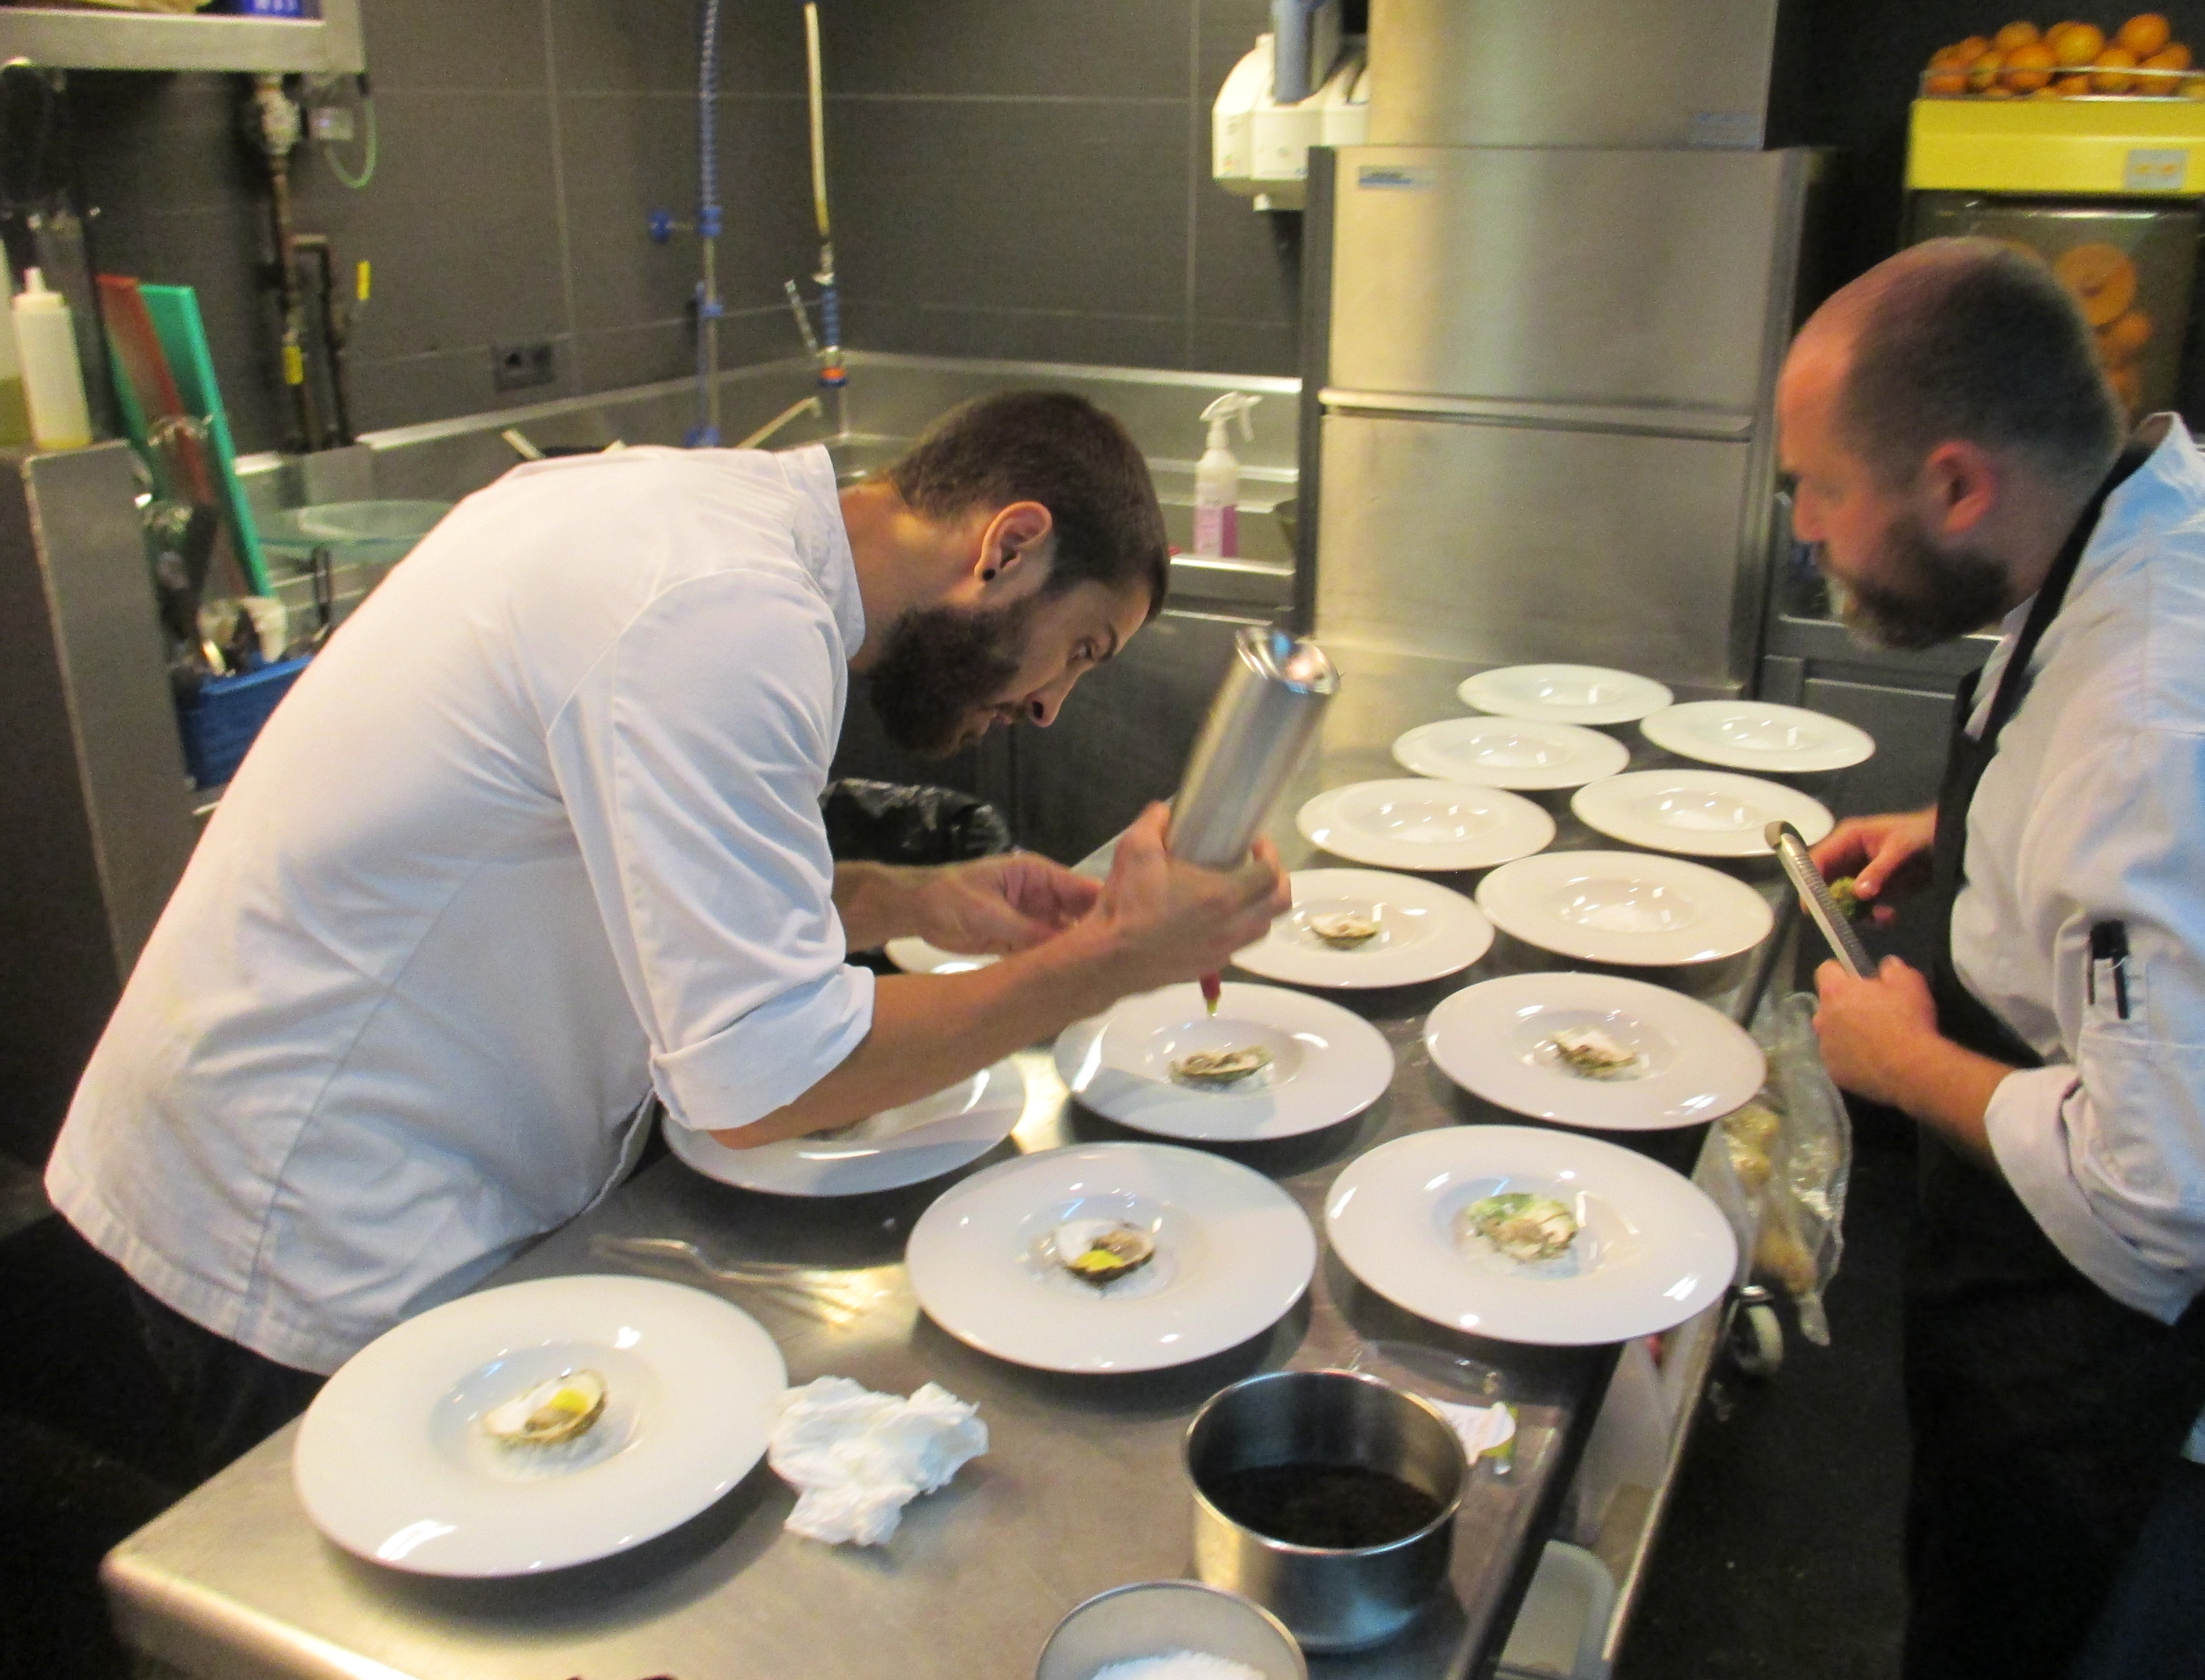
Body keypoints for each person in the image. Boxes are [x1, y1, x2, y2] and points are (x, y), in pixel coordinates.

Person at [47, 389, 1288, 1472]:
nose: (1054, 705)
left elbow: (630, 868)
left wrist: (907, 902)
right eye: (1078, 651)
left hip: (307, 1145)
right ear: (1009, 548)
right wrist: (1110, 960)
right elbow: (767, 1075)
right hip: (296, 1204)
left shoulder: (698, 527)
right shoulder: (725, 615)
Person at [1779, 237, 2205, 1680]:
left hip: (2171, 1405)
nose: (1805, 534)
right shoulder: (2196, 512)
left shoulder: (2152, 731)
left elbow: (2196, 1194)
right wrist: (1986, 830)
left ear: (1958, 484)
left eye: (1820, 490)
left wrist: (1906, 1067)